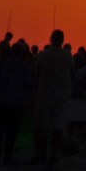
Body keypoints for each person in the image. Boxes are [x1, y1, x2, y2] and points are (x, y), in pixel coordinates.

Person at [0, 43, 35, 165]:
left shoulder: (2, 63)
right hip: (16, 103)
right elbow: (30, 86)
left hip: (0, 100)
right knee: (11, 131)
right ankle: (7, 157)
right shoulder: (24, 67)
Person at [33, 29, 73, 163]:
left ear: (51, 39)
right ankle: (53, 154)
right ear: (62, 40)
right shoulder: (67, 56)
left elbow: (36, 72)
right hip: (62, 93)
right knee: (58, 127)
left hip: (45, 92)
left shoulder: (43, 55)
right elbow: (72, 72)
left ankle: (39, 154)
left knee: (41, 125)